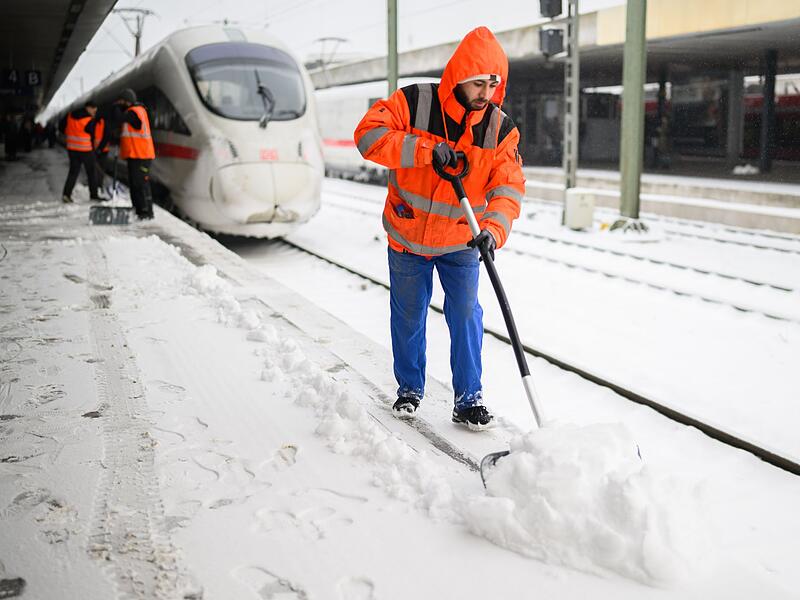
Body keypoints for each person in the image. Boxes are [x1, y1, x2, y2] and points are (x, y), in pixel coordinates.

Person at [353, 27, 525, 430]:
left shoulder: (500, 130)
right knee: (409, 315)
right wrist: (425, 150)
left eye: (492, 84)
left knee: (465, 314)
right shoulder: (414, 103)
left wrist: (493, 232)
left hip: (463, 240)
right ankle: (410, 389)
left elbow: (508, 187)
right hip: (408, 236)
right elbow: (368, 136)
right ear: (459, 77)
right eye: (478, 83)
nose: (485, 92)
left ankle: (469, 398)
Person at [114, 88, 155, 219]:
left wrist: (115, 108)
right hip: (134, 155)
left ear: (127, 101)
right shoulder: (132, 112)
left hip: (142, 155)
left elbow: (120, 118)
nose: (119, 103)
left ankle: (146, 212)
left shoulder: (134, 112)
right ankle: (139, 210)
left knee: (140, 184)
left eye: (121, 101)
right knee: (134, 184)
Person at [60, 99, 100, 202]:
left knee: (73, 173)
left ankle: (66, 195)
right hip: (86, 150)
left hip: (72, 149)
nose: (95, 110)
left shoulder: (69, 116)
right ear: (88, 108)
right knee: (91, 173)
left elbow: (61, 127)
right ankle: (94, 195)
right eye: (93, 108)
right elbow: (93, 135)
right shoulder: (88, 120)